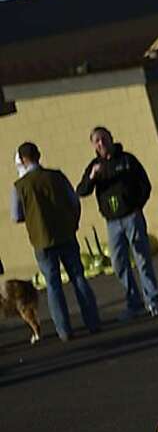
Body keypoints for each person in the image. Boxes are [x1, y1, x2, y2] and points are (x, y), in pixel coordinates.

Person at [11, 142, 102, 341]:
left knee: (53, 285)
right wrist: (73, 223)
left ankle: (64, 330)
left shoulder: (20, 186)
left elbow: (16, 215)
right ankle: (93, 322)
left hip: (42, 239)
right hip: (66, 234)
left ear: (22, 160)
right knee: (78, 277)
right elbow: (74, 201)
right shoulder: (56, 176)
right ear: (38, 155)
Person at [75, 127, 158, 319]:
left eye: (104, 139)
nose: (101, 143)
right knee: (119, 263)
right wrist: (92, 176)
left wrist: (138, 204)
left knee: (142, 259)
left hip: (131, 216)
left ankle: (153, 301)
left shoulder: (126, 160)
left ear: (111, 139)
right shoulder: (94, 166)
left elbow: (144, 183)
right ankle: (134, 303)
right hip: (112, 222)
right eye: (97, 141)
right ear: (93, 145)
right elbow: (82, 190)